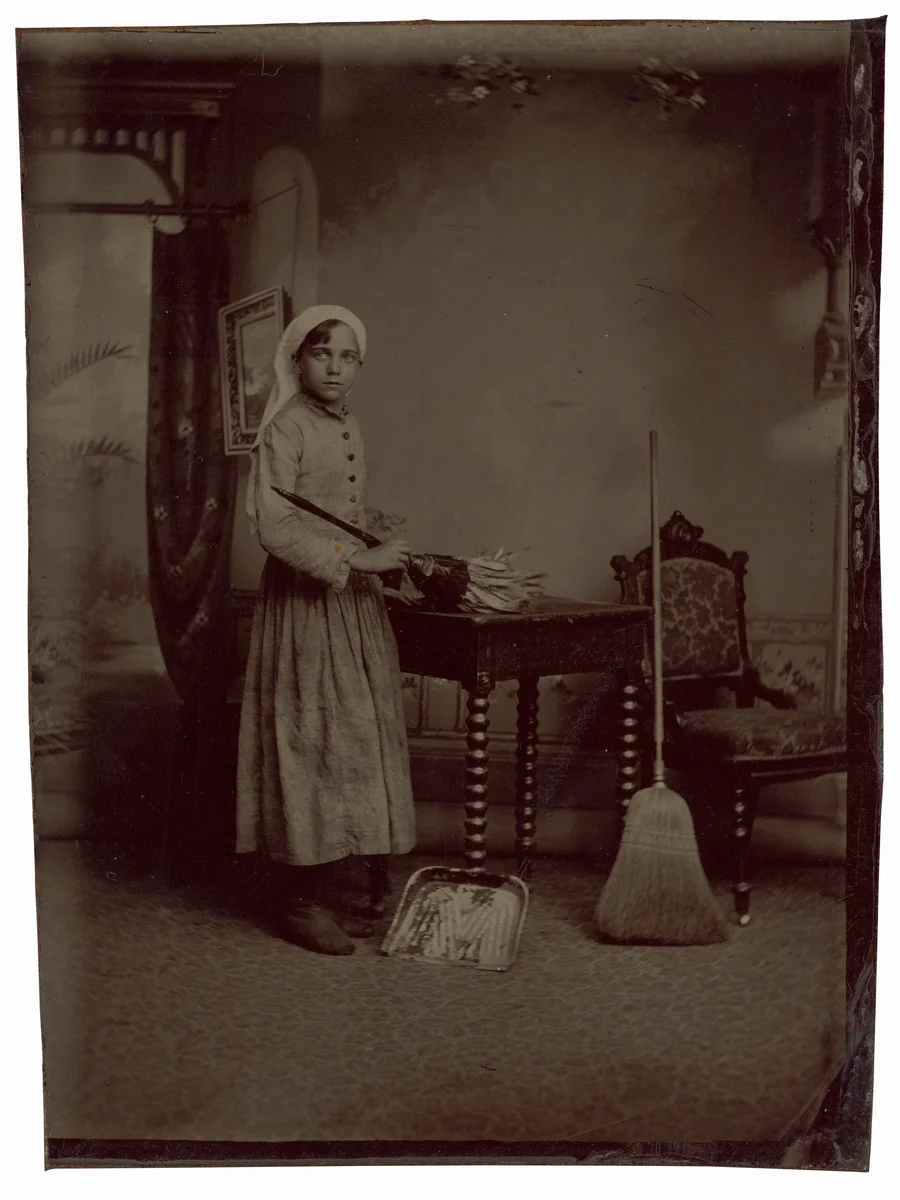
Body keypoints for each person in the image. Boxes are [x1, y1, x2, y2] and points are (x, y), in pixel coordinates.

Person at [236, 305, 416, 955]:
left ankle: (343, 886)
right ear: (298, 361)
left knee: (358, 737)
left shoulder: (349, 424)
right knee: (313, 739)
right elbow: (274, 524)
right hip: (305, 605)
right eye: (321, 354)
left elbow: (342, 506)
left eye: (347, 357)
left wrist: (379, 543)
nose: (335, 368)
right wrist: (356, 560)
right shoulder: (285, 429)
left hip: (352, 604)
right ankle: (299, 900)